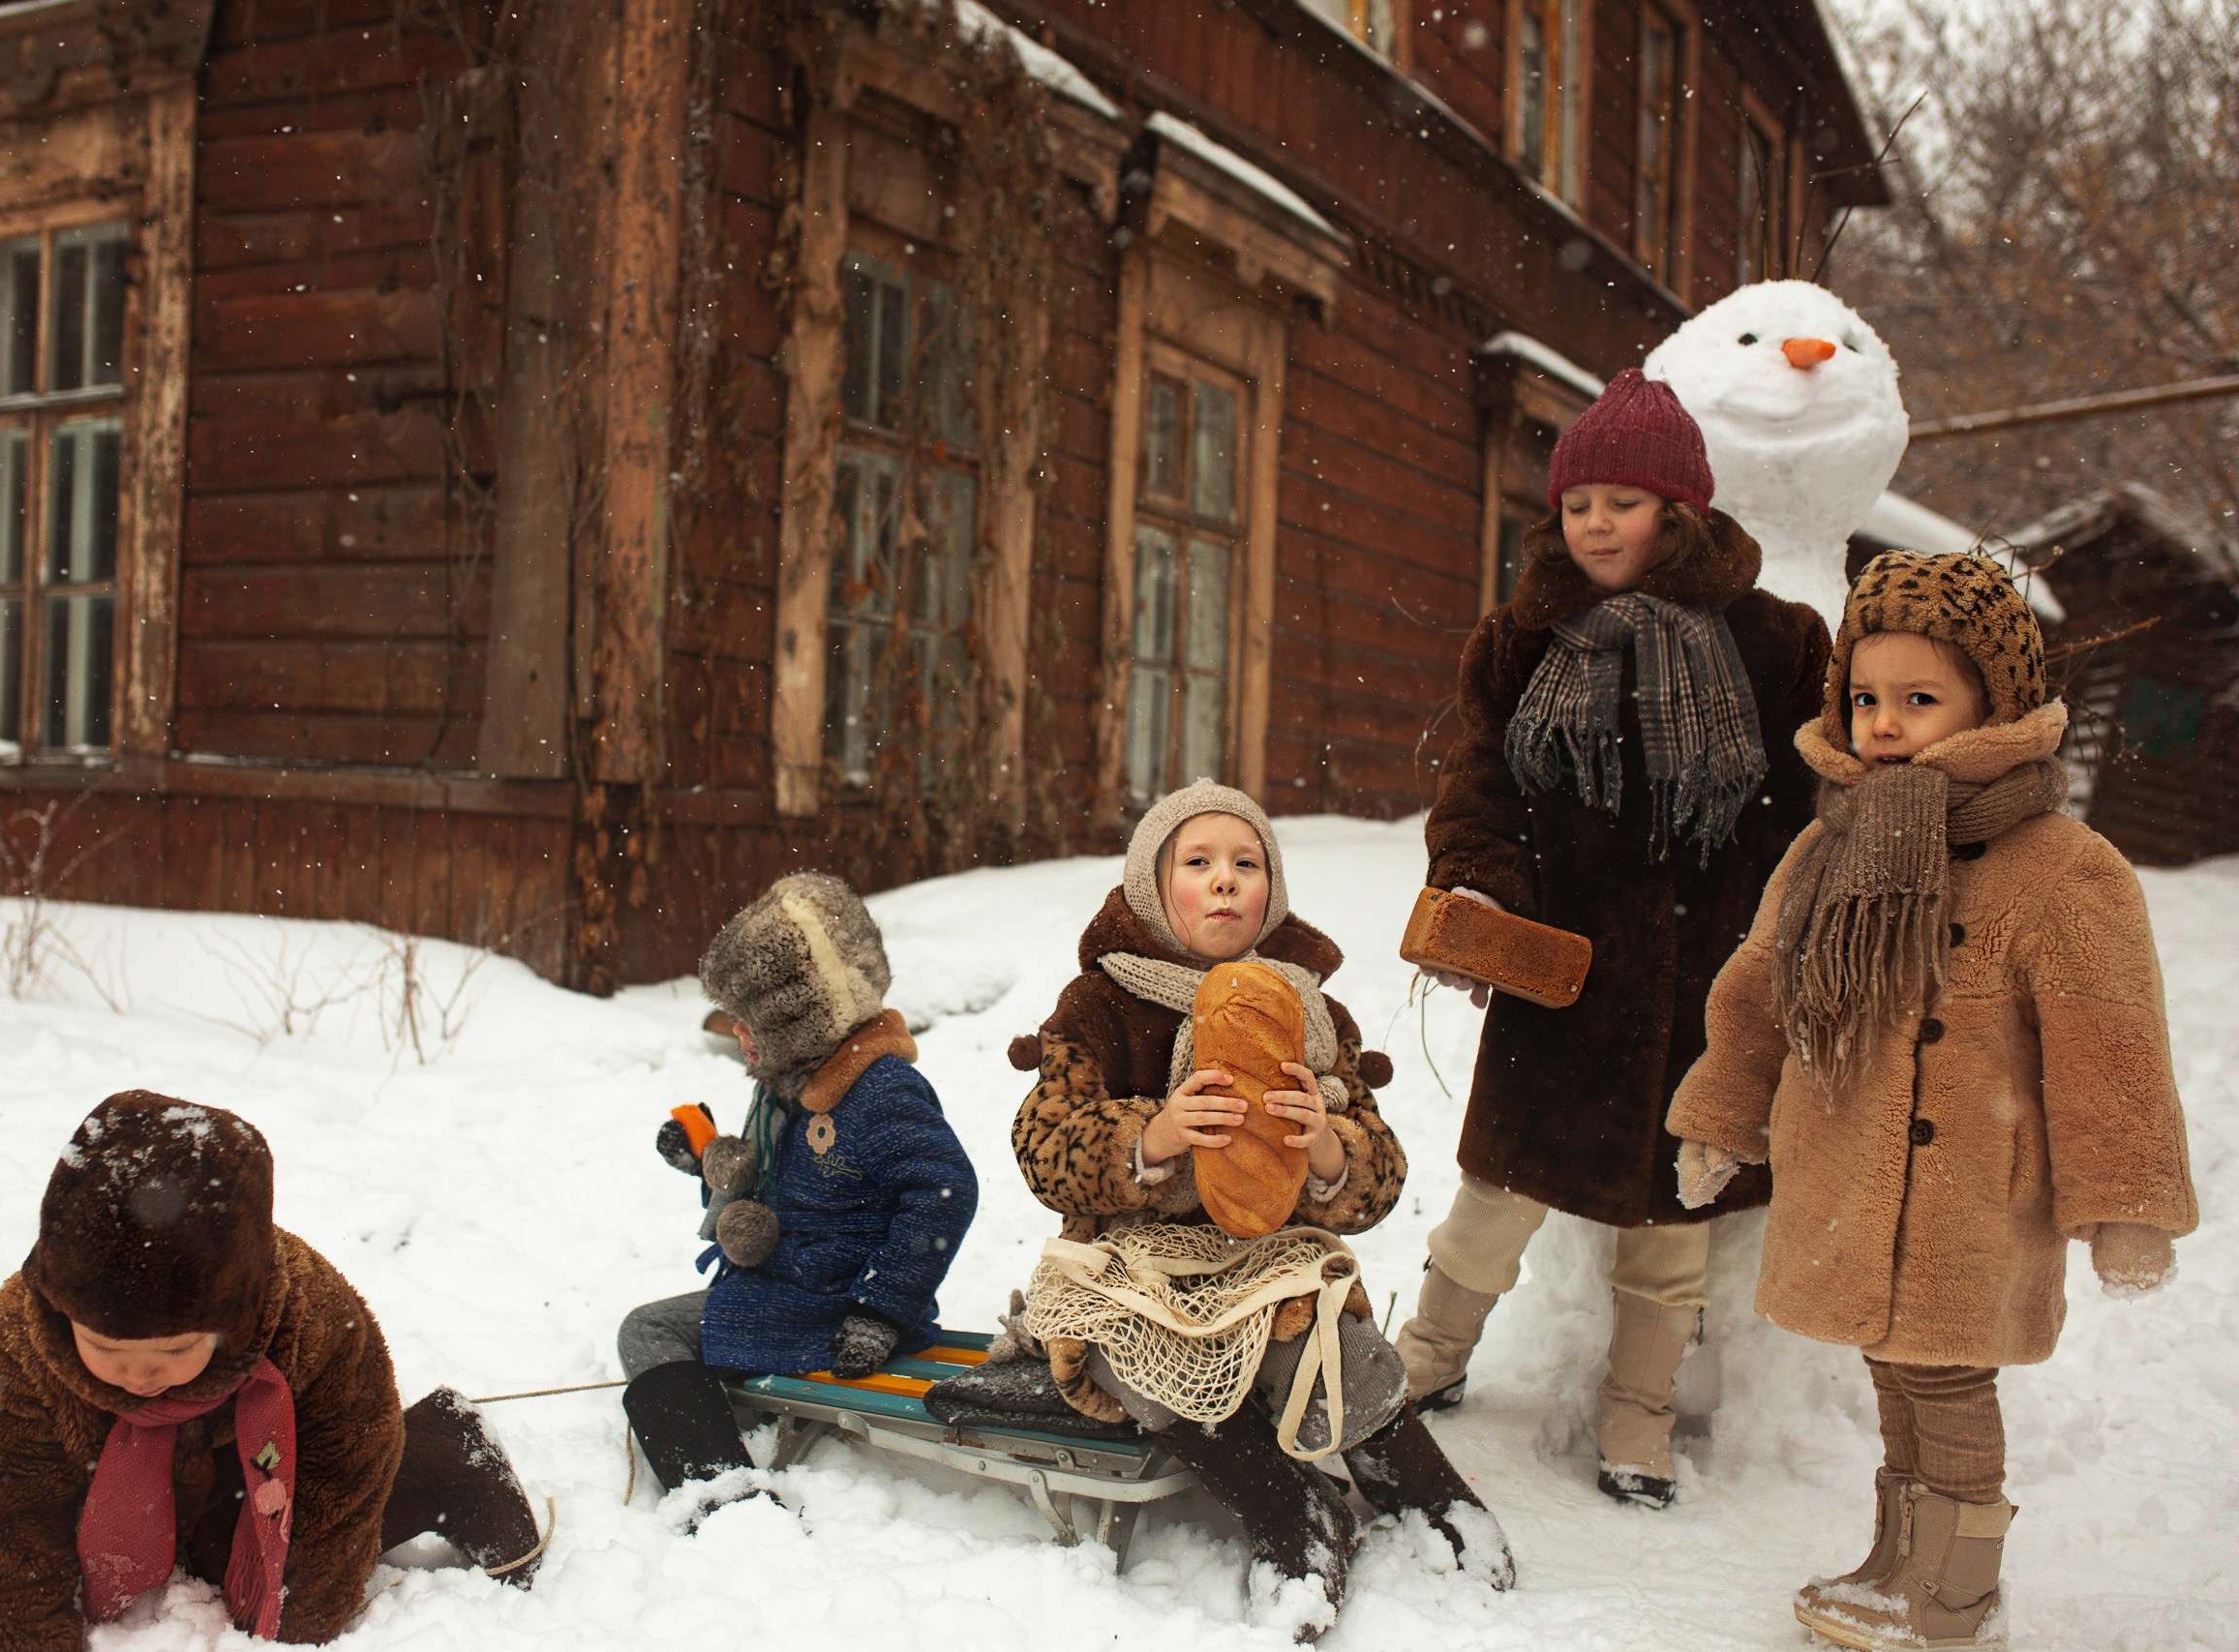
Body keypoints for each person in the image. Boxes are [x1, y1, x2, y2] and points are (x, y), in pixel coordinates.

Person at [1669, 550, 2197, 1651]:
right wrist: (1721, 1110)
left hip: (1968, 1185)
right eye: (1865, 697)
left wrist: (2127, 1202)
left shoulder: (2059, 865)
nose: (1883, 723)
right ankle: (1896, 1559)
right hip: (1850, 1166)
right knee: (1892, 1367)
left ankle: (1959, 1593)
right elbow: (1759, 986)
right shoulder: (1827, 844)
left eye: (1919, 697)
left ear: (1988, 702)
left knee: (1947, 1380)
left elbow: (2112, 1043)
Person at [1406, 368, 1834, 1507]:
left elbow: (1813, 810)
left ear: (1677, 514)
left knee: (1672, 1221)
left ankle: (1636, 1420)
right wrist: (1478, 891)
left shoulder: (1776, 644)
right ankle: (1424, 1362)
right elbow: (1477, 791)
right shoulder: (1521, 643)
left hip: (1711, 990)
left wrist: (1793, 944)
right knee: (1494, 1190)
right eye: (1578, 502)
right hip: (1562, 977)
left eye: (1622, 501)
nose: (1595, 523)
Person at [1008, 780, 1506, 1642]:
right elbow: (1043, 1145)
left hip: (1270, 1261)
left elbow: (1379, 1176)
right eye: (1198, 863)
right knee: (1149, 1363)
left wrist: (1327, 1146)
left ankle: (1419, 1486)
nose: (1226, 880)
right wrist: (1154, 1134)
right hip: (1137, 1267)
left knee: (1335, 1350)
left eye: (1247, 864)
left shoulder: (1311, 1013)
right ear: (1151, 887)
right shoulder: (1100, 1003)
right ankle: (1291, 1508)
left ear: (1271, 888)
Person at [0, 1093, 541, 1650]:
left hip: (258, 1470)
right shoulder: (23, 1334)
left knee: (230, 1558)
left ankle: (446, 1455)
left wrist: (293, 1625)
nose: (137, 1376)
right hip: (110, 1468)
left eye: (171, 1352)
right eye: (105, 1348)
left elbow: (340, 1484)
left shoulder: (314, 1319)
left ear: (232, 1321)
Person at [618, 872, 978, 1521]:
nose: (741, 1039)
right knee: (658, 1327)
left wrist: (881, 1312)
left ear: (807, 1016)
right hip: (799, 1290)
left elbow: (943, 1190)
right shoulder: (791, 1081)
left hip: (834, 1310)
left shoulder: (878, 1090)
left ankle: (721, 1492)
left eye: (752, 1024)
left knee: (649, 1330)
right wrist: (701, 1162)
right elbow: (780, 1189)